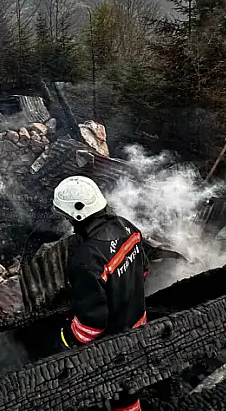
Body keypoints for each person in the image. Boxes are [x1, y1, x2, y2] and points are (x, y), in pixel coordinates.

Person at [53, 175, 148, 411]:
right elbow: (143, 270)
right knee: (129, 385)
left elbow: (92, 323)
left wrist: (64, 341)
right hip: (138, 321)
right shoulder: (128, 227)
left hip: (113, 342)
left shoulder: (86, 260)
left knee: (117, 391)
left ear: (76, 215)